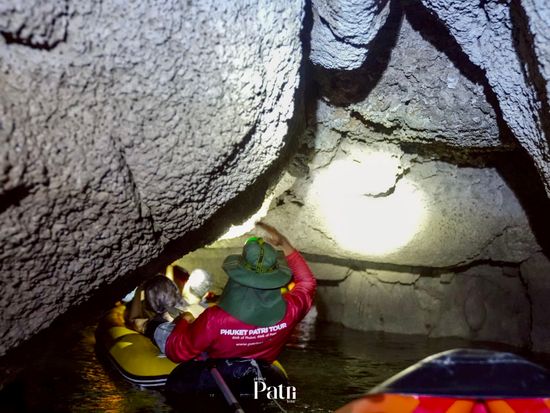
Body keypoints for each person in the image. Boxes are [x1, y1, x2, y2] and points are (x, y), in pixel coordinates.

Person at [162, 221, 317, 363]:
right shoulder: (291, 310)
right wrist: (284, 243)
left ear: (238, 273)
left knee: (158, 328)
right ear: (275, 275)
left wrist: (183, 321)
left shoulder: (214, 319)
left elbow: (178, 352)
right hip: (261, 370)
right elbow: (307, 282)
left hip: (223, 376)